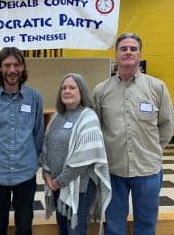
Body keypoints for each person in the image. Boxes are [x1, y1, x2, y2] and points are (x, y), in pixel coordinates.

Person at [92, 32, 174, 235]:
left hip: (148, 170)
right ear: (116, 55)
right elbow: (95, 129)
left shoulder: (156, 87)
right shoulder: (101, 90)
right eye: (123, 49)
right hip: (113, 171)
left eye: (133, 49)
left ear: (139, 54)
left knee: (146, 226)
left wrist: (152, 149)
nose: (128, 52)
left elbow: (167, 125)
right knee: (114, 227)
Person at [0, 47, 44, 235]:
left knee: (24, 227)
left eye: (16, 65)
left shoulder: (34, 97)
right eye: (7, 65)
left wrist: (31, 157)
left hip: (26, 172)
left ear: (23, 67)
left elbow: (38, 133)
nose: (12, 70)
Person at [41, 73, 112, 235]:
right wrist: (46, 173)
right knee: (63, 230)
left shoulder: (88, 117)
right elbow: (46, 147)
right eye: (64, 88)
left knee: (76, 231)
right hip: (57, 186)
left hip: (80, 188)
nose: (67, 91)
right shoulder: (57, 116)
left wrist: (60, 181)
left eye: (72, 88)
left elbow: (84, 157)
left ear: (82, 92)